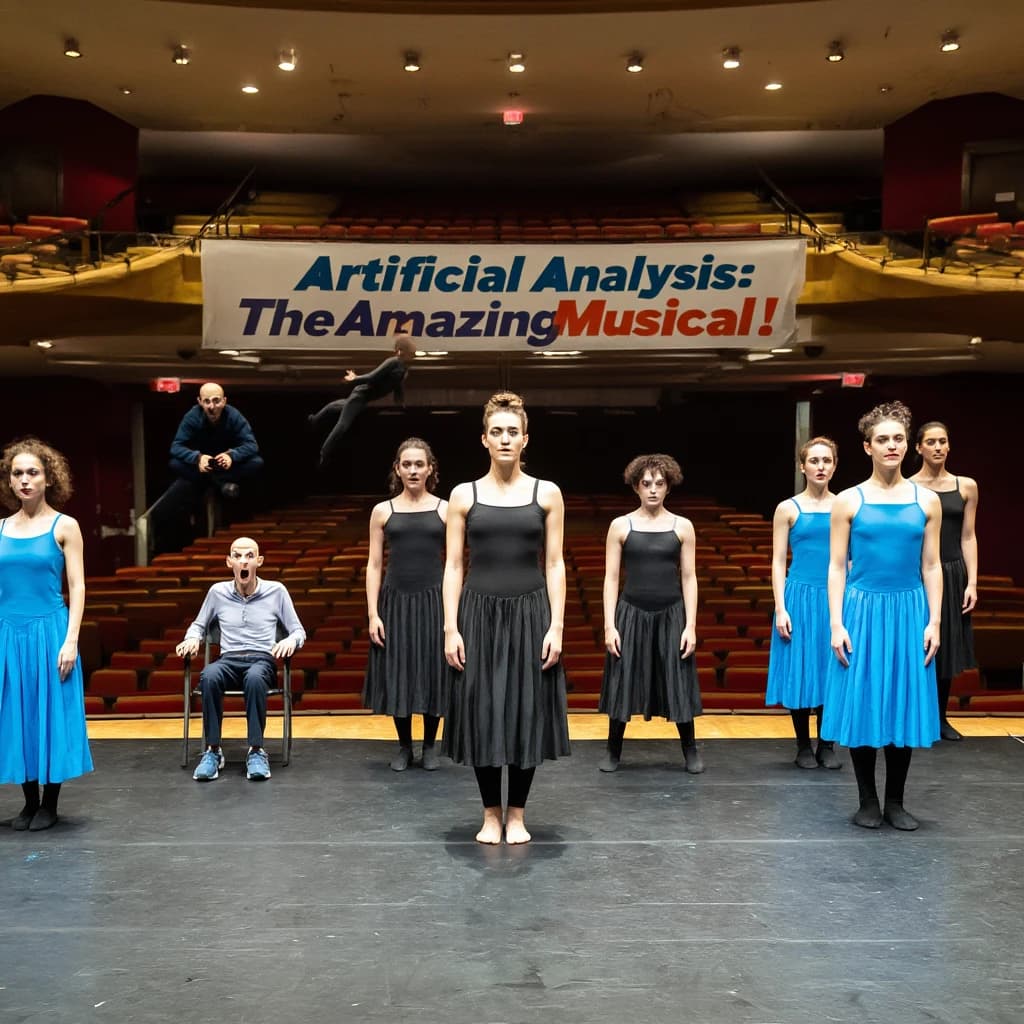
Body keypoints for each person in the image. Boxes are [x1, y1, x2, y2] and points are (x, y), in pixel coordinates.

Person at [442, 392, 570, 844]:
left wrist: (556, 625)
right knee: (482, 712)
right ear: (484, 438)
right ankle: (490, 814)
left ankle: (517, 814)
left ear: (525, 438)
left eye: (512, 431)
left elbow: (554, 564)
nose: (504, 439)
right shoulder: (463, 495)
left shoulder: (547, 493)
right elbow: (454, 565)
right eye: (496, 431)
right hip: (477, 614)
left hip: (531, 613)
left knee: (523, 712)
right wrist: (450, 627)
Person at [821, 401, 941, 831]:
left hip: (909, 610)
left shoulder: (926, 500)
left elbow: (931, 566)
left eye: (898, 439)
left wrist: (934, 621)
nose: (891, 445)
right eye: (883, 439)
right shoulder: (848, 501)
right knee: (865, 701)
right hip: (863, 610)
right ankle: (867, 800)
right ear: (867, 446)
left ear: (907, 445)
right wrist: (836, 623)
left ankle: (896, 802)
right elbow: (836, 566)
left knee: (901, 704)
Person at [0, 437, 93, 831]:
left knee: (49, 713)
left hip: (50, 631)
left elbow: (78, 585)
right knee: (17, 715)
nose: (24, 480)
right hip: (8, 632)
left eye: (32, 473)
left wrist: (70, 639)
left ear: (47, 478)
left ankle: (49, 804)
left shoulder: (64, 526)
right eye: (17, 473)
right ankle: (28, 802)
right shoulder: (1, 528)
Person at [598, 454, 703, 773]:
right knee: (623, 680)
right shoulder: (621, 525)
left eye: (659, 484)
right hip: (631, 614)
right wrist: (609, 625)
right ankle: (613, 750)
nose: (653, 490)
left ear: (668, 487)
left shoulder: (683, 526)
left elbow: (689, 576)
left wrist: (691, 625)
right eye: (646, 484)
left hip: (672, 613)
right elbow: (611, 578)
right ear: (636, 487)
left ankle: (691, 751)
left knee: (678, 681)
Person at [176, 536, 305, 782]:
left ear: (259, 561)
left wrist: (290, 641)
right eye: (237, 556)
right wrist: (192, 638)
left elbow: (298, 631)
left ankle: (256, 750)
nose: (243, 561)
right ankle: (213, 751)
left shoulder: (276, 591)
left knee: (255, 678)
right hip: (228, 659)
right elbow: (198, 625)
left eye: (249, 556)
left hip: (261, 660)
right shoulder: (217, 592)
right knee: (209, 675)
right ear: (229, 562)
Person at [363, 437, 449, 771]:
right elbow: (373, 565)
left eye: (419, 464)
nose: (413, 470)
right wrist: (373, 613)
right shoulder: (383, 511)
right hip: (395, 601)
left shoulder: (445, 508)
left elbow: (457, 562)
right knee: (398, 671)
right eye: (406, 464)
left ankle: (429, 745)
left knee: (432, 670)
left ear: (430, 469)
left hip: (435, 601)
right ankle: (403, 746)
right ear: (397, 469)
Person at [766, 437, 841, 770]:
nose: (821, 466)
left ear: (835, 465)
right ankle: (802, 745)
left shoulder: (846, 505)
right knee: (801, 668)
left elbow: (849, 560)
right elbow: (778, 560)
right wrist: (781, 607)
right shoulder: (787, 508)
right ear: (803, 466)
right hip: (799, 596)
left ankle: (827, 744)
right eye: (814, 461)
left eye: (827, 460)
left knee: (831, 668)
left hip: (834, 597)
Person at [910, 422, 979, 741]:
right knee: (916, 644)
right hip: (917, 572)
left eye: (943, 441)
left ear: (949, 447)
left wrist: (972, 582)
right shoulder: (909, 488)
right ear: (918, 448)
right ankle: (915, 715)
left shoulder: (966, 486)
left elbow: (968, 535)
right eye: (931, 442)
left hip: (952, 572)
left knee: (946, 645)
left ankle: (940, 717)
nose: (938, 447)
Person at [155, 383, 264, 550]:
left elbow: (252, 445)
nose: (212, 407)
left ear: (224, 401)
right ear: (199, 402)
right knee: (174, 464)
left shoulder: (234, 415)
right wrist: (197, 458)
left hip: (226, 466)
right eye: (207, 402)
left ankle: (215, 482)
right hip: (202, 466)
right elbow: (176, 447)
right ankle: (221, 485)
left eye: (216, 401)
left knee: (257, 462)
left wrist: (231, 456)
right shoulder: (192, 416)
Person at [309, 322, 418, 467]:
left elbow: (397, 386)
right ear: (401, 352)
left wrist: (400, 401)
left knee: (341, 405)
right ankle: (324, 453)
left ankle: (315, 419)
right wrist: (355, 379)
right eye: (411, 353)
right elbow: (372, 376)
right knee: (343, 424)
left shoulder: (403, 369)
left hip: (364, 398)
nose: (413, 356)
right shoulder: (392, 362)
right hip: (361, 395)